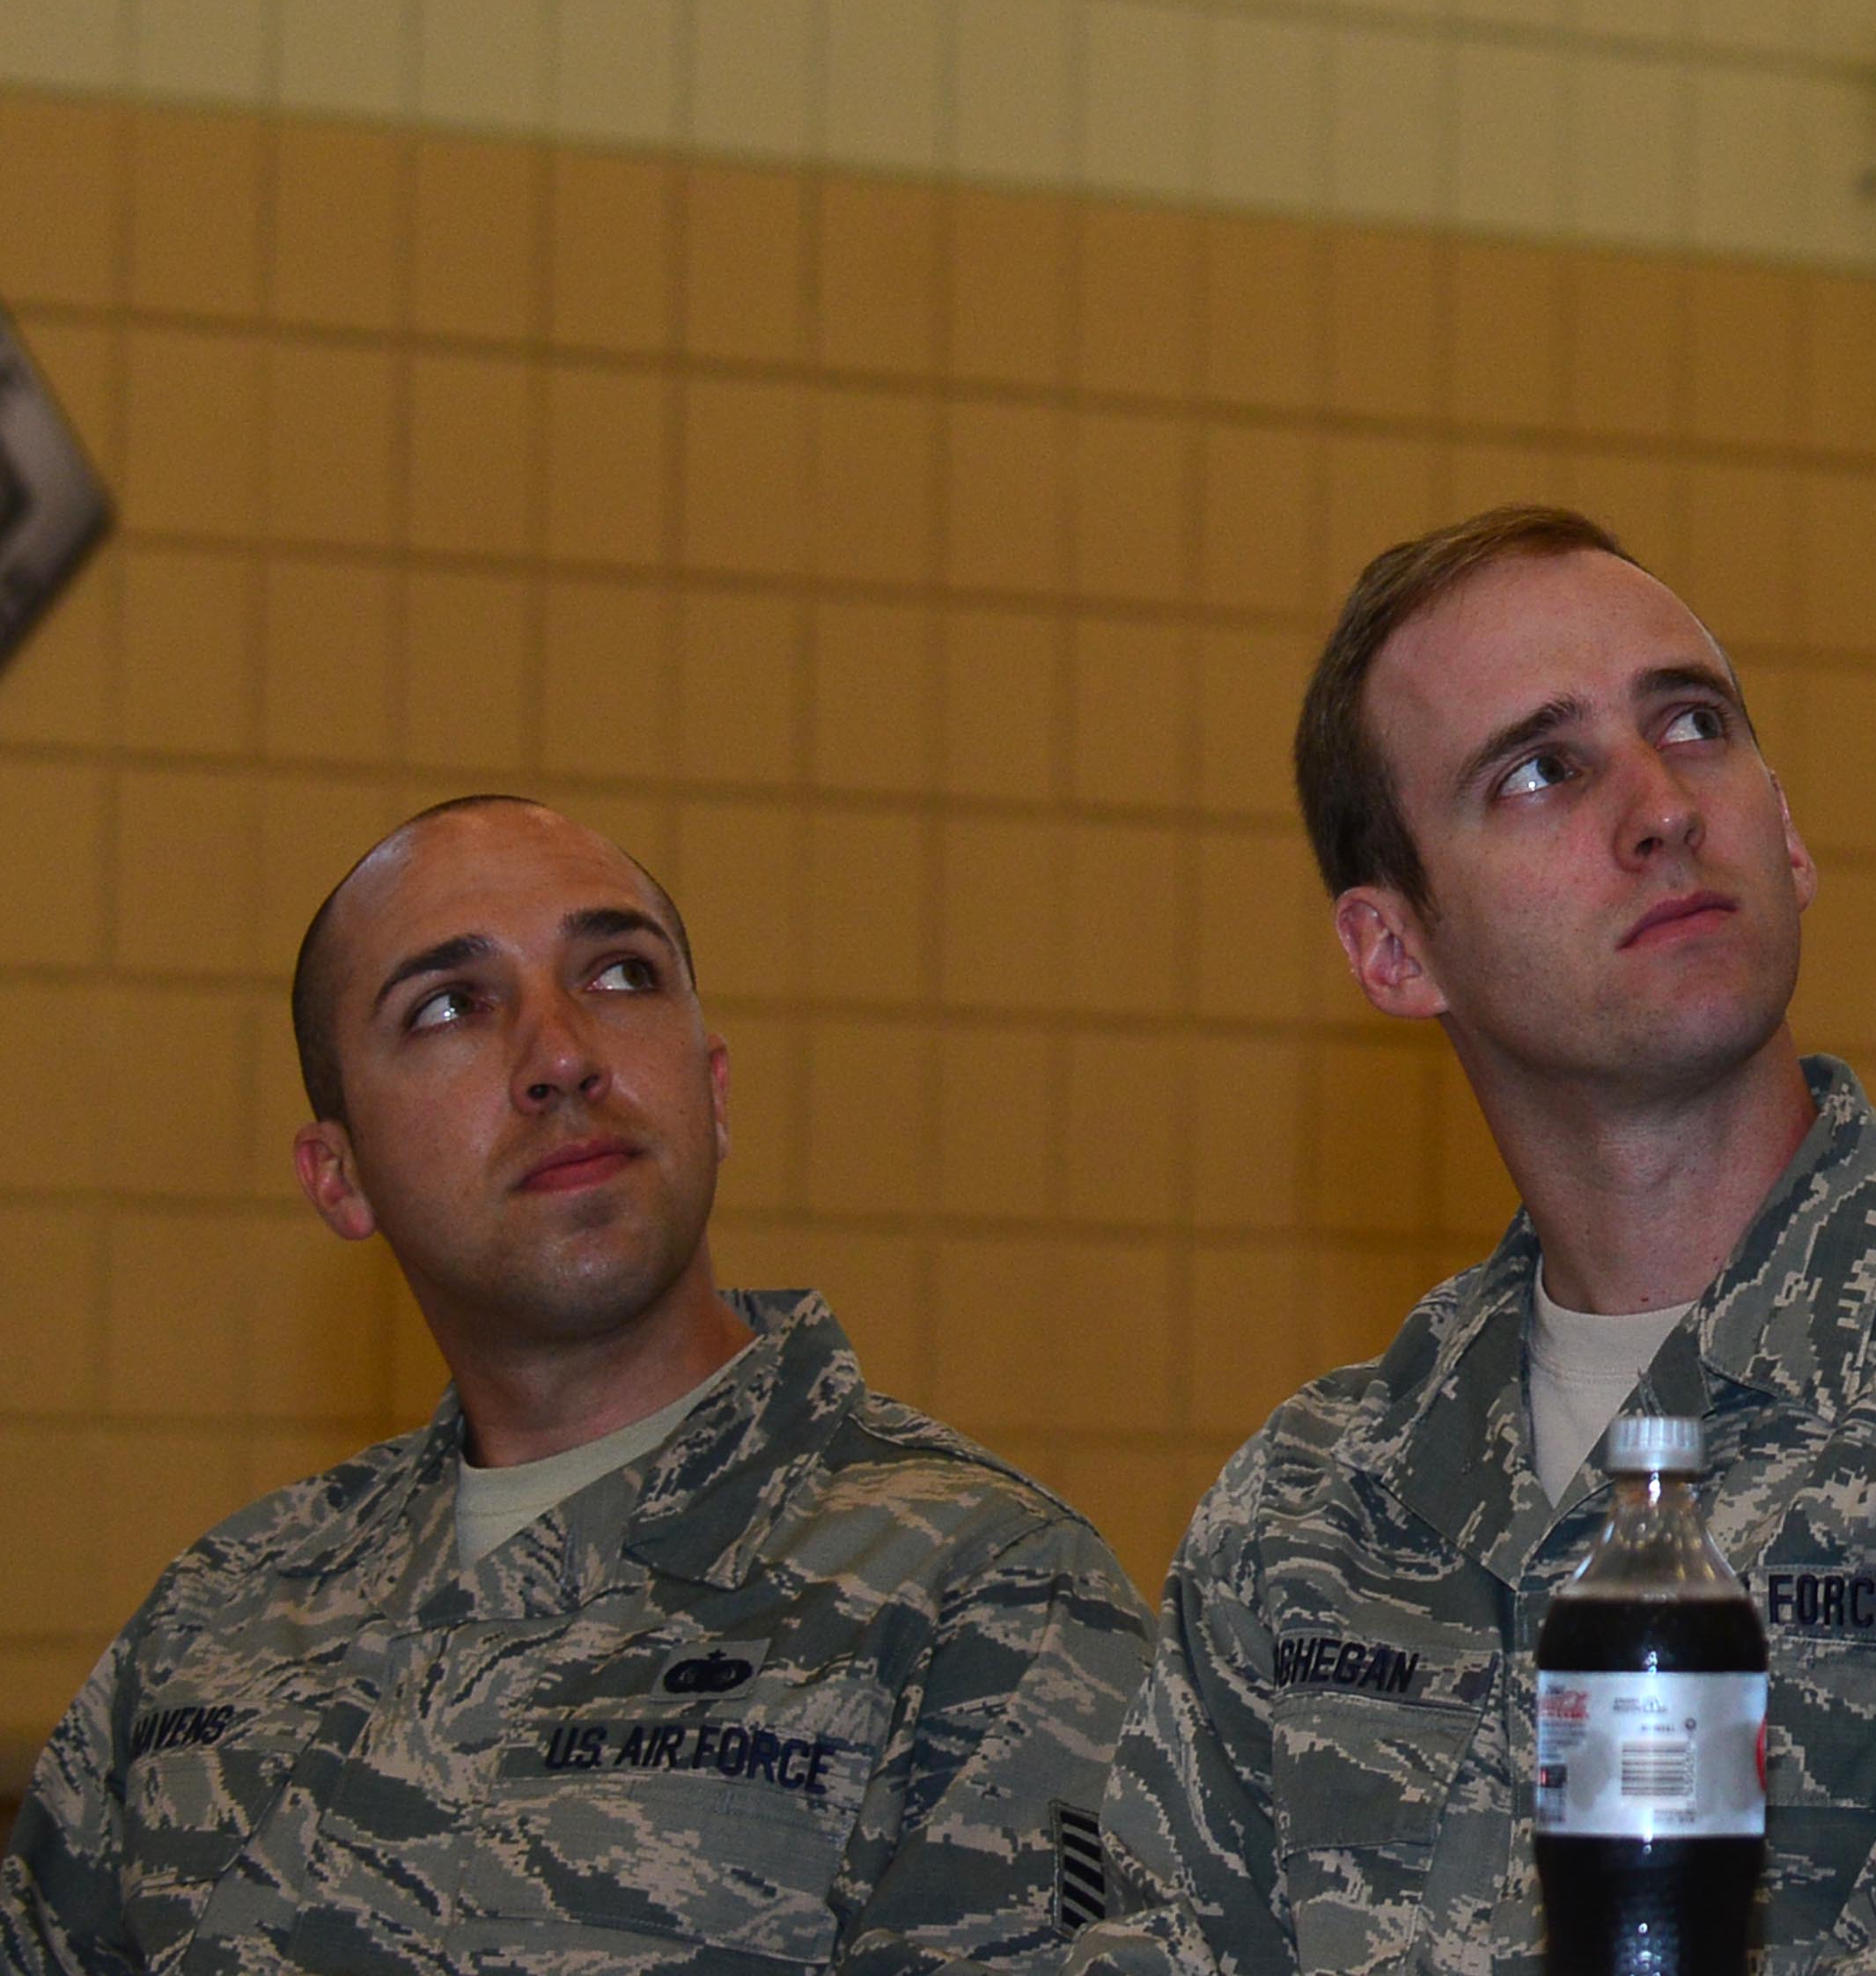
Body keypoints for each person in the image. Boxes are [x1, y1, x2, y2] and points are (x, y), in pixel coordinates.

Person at [1085, 506, 1876, 1976]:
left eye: (1693, 726)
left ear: (1790, 834)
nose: (1660, 808)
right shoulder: (1309, 1520)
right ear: (1395, 949)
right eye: (1544, 771)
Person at [2, 796, 1148, 1972]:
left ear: (713, 1090)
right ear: (338, 1177)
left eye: (618, 976)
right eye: (449, 1005)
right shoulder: (216, 1623)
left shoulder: (981, 1598)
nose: (560, 1057)